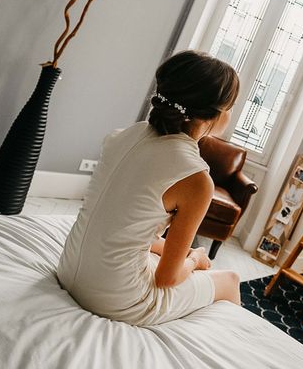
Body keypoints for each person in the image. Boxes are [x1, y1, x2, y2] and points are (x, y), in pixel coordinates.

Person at [57, 50, 241, 326]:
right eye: (230, 106)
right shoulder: (196, 179)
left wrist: (173, 251)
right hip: (115, 298)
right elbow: (166, 279)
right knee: (230, 279)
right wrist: (195, 260)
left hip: (69, 269)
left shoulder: (123, 136)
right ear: (215, 114)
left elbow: (126, 224)